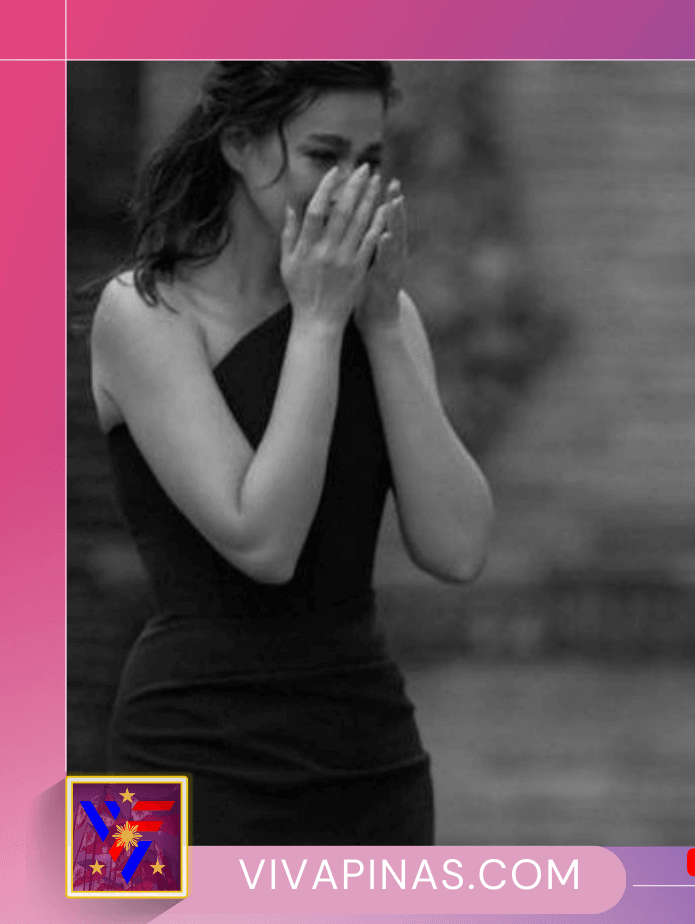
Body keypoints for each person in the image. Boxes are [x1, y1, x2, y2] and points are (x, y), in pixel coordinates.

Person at [90, 62, 494, 845]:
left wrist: (381, 326)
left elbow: (459, 548)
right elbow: (263, 543)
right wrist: (317, 322)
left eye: (369, 160)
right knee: (123, 900)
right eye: (323, 154)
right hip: (173, 749)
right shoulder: (143, 311)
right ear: (241, 145)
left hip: (366, 755)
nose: (349, 187)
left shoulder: (381, 314)